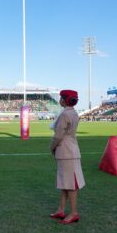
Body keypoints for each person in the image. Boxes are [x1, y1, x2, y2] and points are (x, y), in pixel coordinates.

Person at [49, 89, 85, 225]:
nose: (59, 100)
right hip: (71, 150)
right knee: (65, 183)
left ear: (64, 100)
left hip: (66, 151)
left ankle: (74, 213)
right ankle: (61, 210)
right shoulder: (74, 113)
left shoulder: (65, 114)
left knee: (70, 185)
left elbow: (58, 135)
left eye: (61, 98)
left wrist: (51, 147)